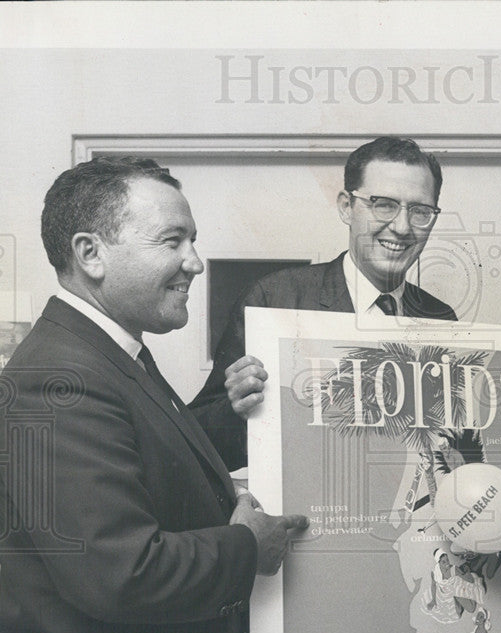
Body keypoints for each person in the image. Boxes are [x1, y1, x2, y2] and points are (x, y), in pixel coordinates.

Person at [0, 157, 308, 633]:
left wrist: (219, 485)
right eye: (173, 241)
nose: (195, 262)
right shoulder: (59, 378)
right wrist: (247, 546)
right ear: (90, 254)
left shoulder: (116, 354)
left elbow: (143, 472)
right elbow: (122, 573)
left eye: (194, 241)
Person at [189, 136, 457, 471]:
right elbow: (196, 442)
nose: (402, 228)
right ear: (346, 206)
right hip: (306, 518)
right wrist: (234, 408)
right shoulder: (273, 301)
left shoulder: (440, 317)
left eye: (419, 211)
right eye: (384, 205)